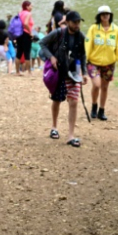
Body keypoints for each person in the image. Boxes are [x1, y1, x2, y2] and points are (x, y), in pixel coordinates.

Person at [39, 10, 88, 147]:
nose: (77, 25)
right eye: (75, 22)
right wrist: (52, 57)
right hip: (58, 72)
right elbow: (42, 43)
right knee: (57, 100)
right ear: (68, 23)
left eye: (79, 22)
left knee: (73, 102)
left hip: (74, 73)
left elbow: (83, 55)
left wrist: (84, 73)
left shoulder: (81, 37)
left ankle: (71, 135)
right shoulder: (58, 33)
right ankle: (54, 127)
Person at [84, 5, 118, 121]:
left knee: (105, 87)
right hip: (94, 62)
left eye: (107, 14)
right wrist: (85, 59)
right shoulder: (93, 28)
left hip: (109, 63)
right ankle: (94, 106)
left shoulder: (115, 29)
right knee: (97, 85)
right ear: (99, 16)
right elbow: (88, 44)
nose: (105, 16)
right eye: (103, 14)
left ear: (110, 15)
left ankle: (101, 110)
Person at [16, 0, 35, 76]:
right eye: (31, 5)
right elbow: (26, 23)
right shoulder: (28, 14)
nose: (32, 7)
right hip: (26, 34)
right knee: (27, 52)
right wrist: (30, 32)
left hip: (19, 34)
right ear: (27, 7)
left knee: (19, 52)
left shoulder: (20, 13)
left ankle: (17, 71)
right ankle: (29, 72)